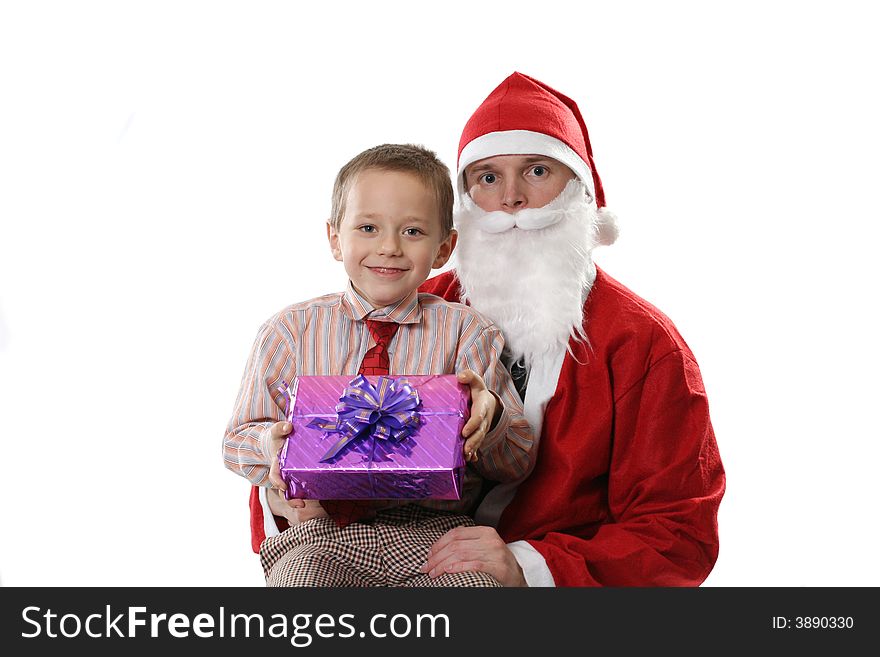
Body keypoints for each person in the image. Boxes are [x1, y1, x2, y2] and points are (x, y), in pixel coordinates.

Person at [418, 72, 726, 586]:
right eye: (487, 177)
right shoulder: (420, 307)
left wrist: (528, 567)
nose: (511, 200)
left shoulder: (644, 343)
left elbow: (679, 532)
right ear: (465, 199)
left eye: (536, 170)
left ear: (578, 189)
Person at [223, 143, 534, 586]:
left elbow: (519, 460)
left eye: (412, 232)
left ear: (444, 248)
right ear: (335, 238)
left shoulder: (469, 334)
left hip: (434, 535)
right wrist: (270, 447)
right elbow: (235, 439)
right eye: (368, 227)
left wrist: (493, 419)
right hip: (318, 534)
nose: (388, 248)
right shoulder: (289, 333)